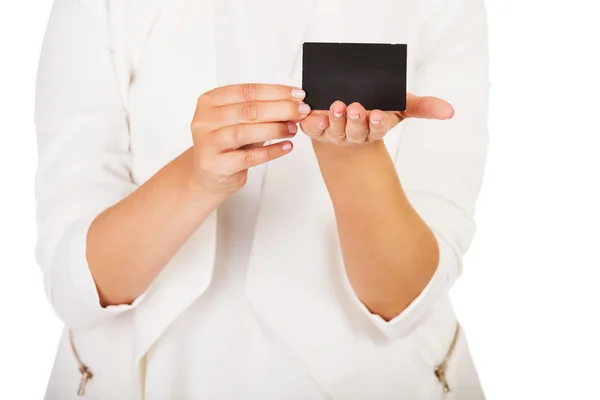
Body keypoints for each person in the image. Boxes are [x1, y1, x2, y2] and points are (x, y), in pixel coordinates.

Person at [34, 0, 490, 398]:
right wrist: (197, 177)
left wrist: (352, 155)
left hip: (371, 378)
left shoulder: (441, 6)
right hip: (146, 375)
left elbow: (406, 301)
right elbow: (75, 285)